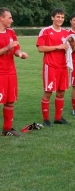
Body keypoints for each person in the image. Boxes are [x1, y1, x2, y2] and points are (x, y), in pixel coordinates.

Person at [36, 8, 74, 127]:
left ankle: (58, 118)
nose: (60, 19)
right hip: (50, 66)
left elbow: (71, 47)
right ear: (52, 18)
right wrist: (58, 47)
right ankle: (46, 119)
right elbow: (40, 48)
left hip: (63, 66)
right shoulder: (46, 31)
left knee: (61, 92)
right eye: (58, 17)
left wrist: (72, 42)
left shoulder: (66, 32)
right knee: (48, 92)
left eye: (62, 17)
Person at [0, 8, 29, 136]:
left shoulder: (11, 32)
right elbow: (9, 47)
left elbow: (16, 49)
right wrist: (7, 48)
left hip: (11, 72)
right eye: (9, 18)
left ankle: (7, 129)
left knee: (10, 100)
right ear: (1, 18)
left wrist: (20, 54)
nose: (12, 20)